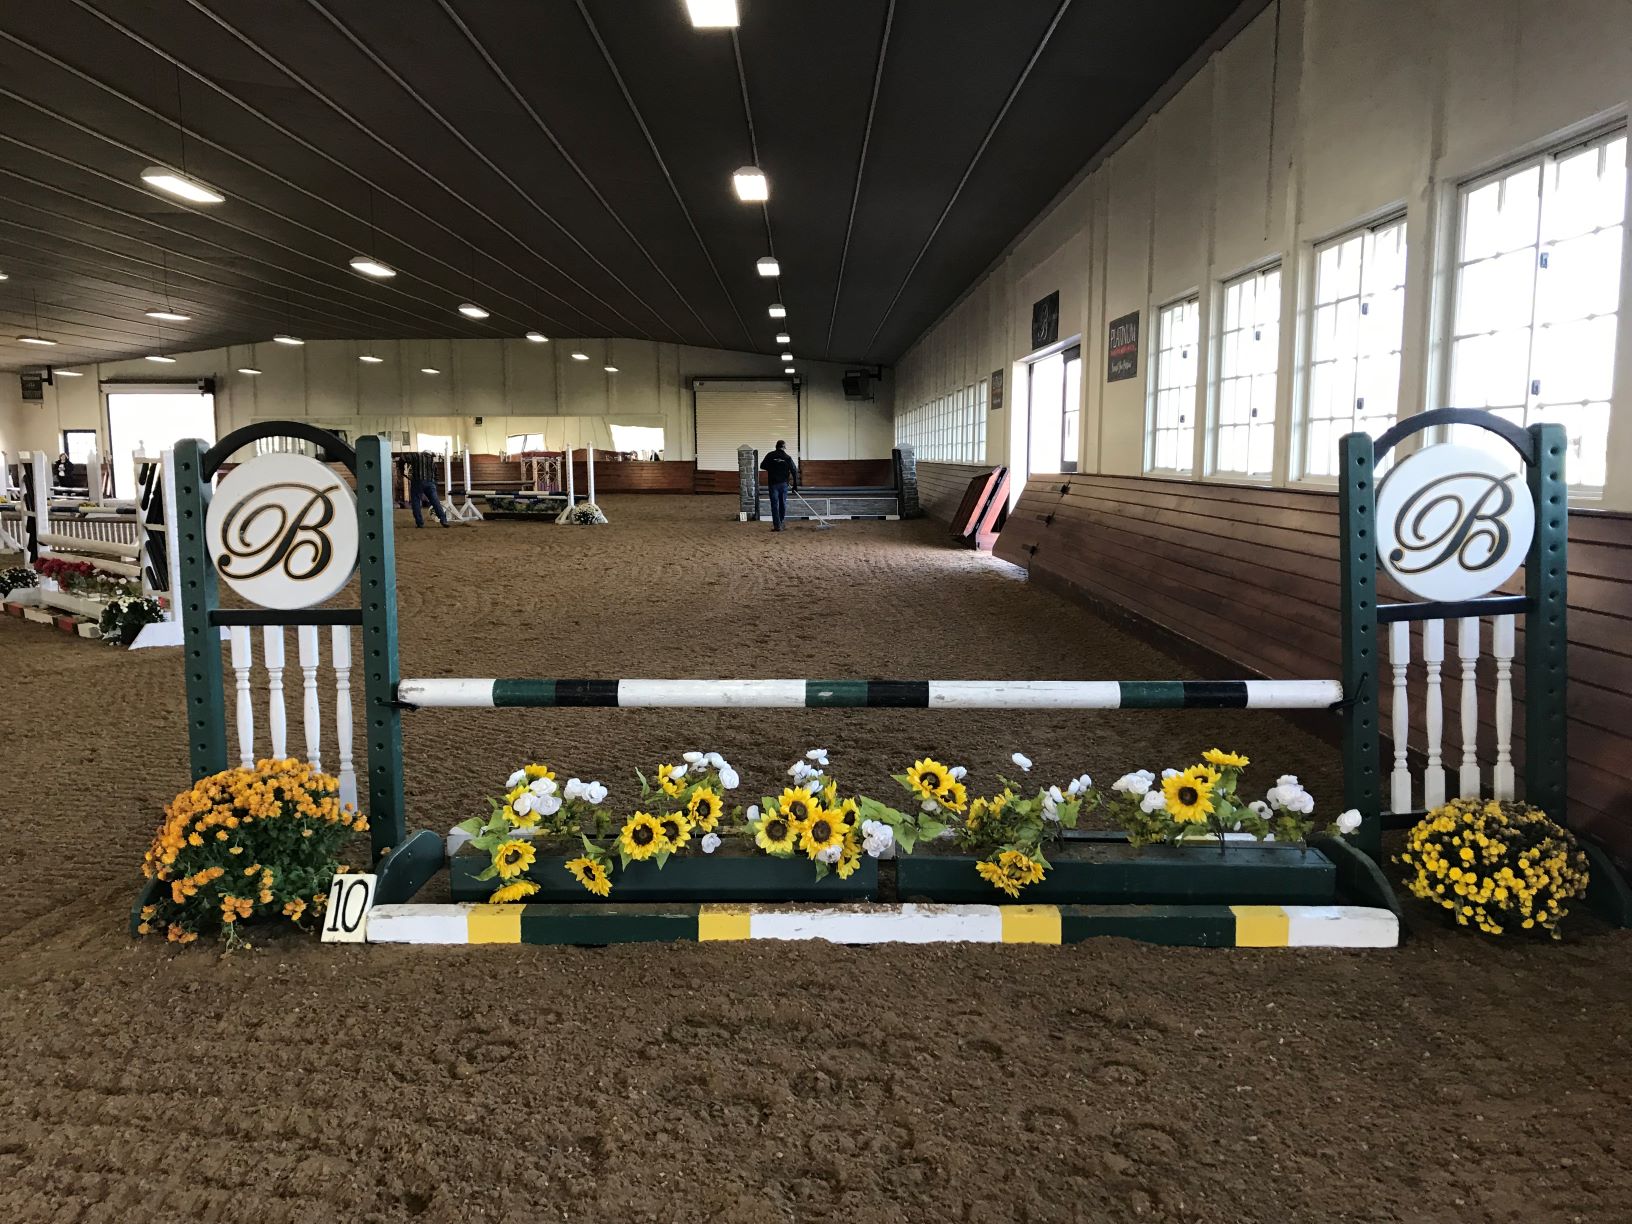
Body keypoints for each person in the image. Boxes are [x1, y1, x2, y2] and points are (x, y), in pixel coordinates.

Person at [759, 440, 798, 532]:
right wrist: (795, 485)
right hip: (783, 484)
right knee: (782, 503)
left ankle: (777, 526)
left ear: (776, 446)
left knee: (774, 504)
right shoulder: (787, 457)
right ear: (784, 447)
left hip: (773, 484)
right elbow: (794, 471)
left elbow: (762, 466)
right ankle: (781, 522)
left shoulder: (770, 455)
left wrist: (772, 468)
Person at [408, 450, 450, 528]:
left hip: (418, 482)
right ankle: (443, 520)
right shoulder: (432, 463)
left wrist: (400, 468)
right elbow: (436, 476)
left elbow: (403, 458)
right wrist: (434, 485)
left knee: (416, 502)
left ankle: (420, 523)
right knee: (436, 502)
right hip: (431, 483)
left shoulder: (416, 456)